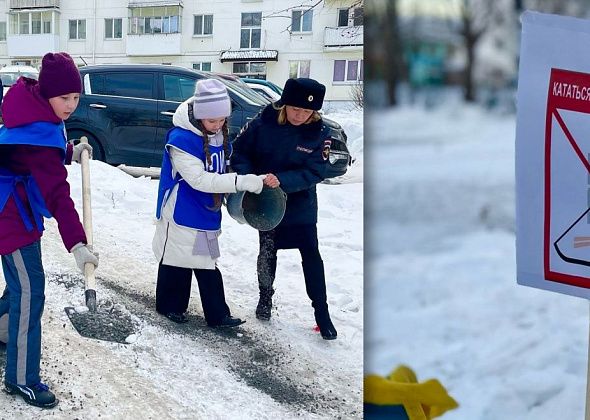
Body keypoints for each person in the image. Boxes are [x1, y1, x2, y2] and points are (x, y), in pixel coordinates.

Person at [0, 52, 99, 408]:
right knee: (30, 291)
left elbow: (33, 152)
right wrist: (78, 244)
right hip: (9, 216)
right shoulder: (38, 129)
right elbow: (57, 193)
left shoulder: (37, 109)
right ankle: (21, 379)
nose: (71, 105)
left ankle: (3, 332)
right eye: (64, 98)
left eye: (76, 97)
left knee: (22, 283)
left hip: (15, 208)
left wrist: (69, 150)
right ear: (48, 93)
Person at [231, 77, 338, 340]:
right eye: (296, 109)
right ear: (284, 105)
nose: (301, 115)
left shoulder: (320, 133)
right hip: (266, 201)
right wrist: (253, 181)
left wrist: (283, 180)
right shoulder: (262, 123)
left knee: (311, 255)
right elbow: (239, 153)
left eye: (307, 111)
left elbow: (316, 171)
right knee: (268, 251)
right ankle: (265, 299)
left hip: (300, 203)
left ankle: (322, 314)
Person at [153, 78, 264, 328]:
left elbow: (222, 168)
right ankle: (170, 306)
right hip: (181, 209)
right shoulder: (181, 139)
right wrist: (240, 181)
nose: (217, 125)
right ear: (199, 115)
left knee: (207, 262)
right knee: (176, 260)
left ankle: (217, 315)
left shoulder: (217, 134)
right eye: (212, 120)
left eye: (222, 120)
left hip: (206, 212)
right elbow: (199, 180)